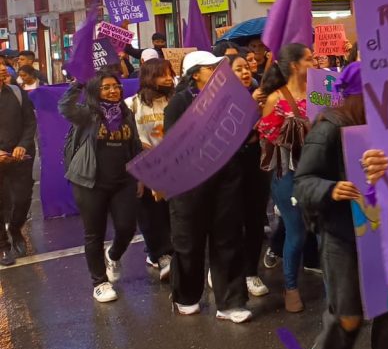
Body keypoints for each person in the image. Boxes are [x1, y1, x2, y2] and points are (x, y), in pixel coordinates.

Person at [294, 62, 388, 349]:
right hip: (342, 235)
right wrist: (330, 189)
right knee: (348, 315)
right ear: (357, 95)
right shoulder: (329, 128)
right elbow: (303, 183)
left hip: (386, 233)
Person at [165, 51, 252, 323]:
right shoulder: (179, 102)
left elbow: (243, 133)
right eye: (211, 68)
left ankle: (231, 302)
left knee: (228, 237)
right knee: (188, 241)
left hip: (226, 178)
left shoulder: (230, 98)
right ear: (195, 75)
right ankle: (186, 296)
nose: (217, 71)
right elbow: (172, 143)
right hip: (190, 182)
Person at [59, 68, 142, 302]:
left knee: (127, 227)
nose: (113, 91)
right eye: (106, 87)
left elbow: (135, 144)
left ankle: (113, 255)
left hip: (123, 181)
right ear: (96, 90)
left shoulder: (126, 113)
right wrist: (78, 84)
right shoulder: (87, 113)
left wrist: (140, 176)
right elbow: (64, 107)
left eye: (116, 86)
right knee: (94, 233)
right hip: (90, 182)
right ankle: (100, 282)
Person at [257, 42, 313, 313]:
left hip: (317, 172)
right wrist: (296, 131)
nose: (314, 63)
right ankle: (291, 287)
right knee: (296, 231)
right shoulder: (276, 99)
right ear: (294, 65)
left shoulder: (319, 92)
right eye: (309, 59)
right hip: (287, 173)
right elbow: (266, 141)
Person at [126, 58, 176, 280]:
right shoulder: (132, 104)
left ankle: (170, 252)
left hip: (174, 165)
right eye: (162, 74)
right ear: (149, 77)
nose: (169, 78)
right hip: (146, 167)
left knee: (171, 211)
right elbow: (128, 136)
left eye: (170, 73)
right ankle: (161, 255)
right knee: (151, 213)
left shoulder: (176, 99)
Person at [229, 55, 271, 298]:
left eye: (246, 68)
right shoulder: (220, 101)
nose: (245, 72)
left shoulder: (260, 96)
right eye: (238, 69)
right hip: (231, 168)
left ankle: (251, 272)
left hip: (257, 165)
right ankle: (224, 270)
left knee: (255, 220)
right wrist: (251, 107)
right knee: (232, 223)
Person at [0, 64, 37, 265]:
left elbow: (30, 122)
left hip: (20, 157)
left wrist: (23, 145)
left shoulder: (16, 92)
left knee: (22, 199)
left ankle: (15, 229)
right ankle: (3, 247)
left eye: (2, 65)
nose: (3, 69)